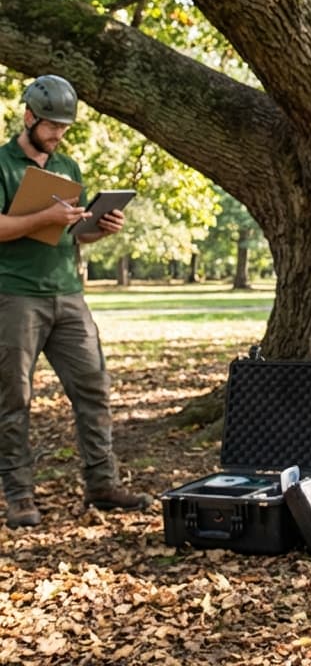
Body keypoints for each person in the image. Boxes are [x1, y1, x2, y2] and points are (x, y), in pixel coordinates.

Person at [0, 75, 151, 528]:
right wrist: (44, 215)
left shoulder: (68, 167)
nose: (58, 135)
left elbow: (70, 233)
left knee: (94, 388)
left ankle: (103, 485)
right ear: (29, 117)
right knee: (13, 398)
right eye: (51, 126)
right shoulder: (2, 164)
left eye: (64, 127)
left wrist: (98, 228)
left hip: (68, 295)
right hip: (15, 296)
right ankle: (19, 498)